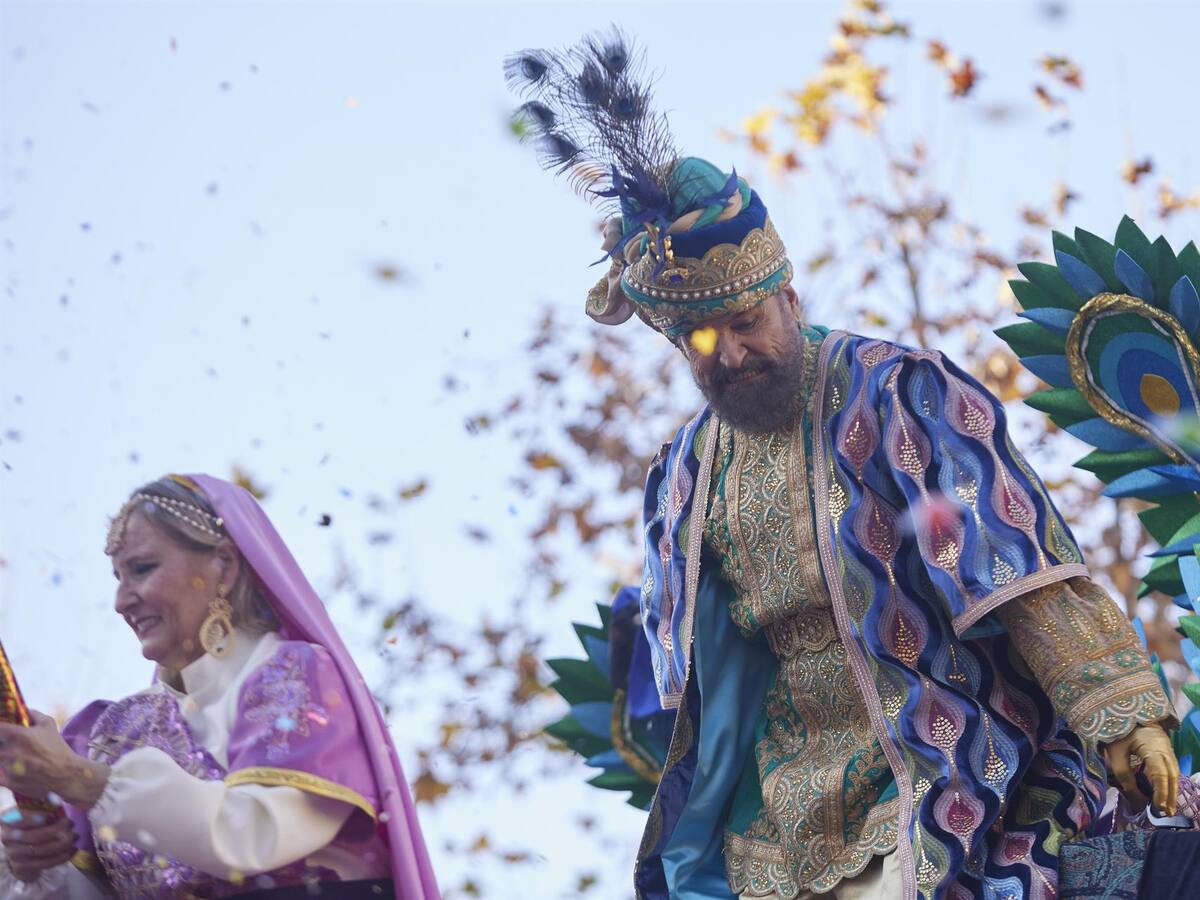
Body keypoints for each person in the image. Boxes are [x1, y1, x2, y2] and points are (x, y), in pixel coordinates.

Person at [505, 32, 1183, 899]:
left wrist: (1121, 713)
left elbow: (1017, 566)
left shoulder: (900, 393)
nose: (730, 353)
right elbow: (695, 695)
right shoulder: (680, 478)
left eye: (745, 321)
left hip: (947, 770)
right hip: (771, 832)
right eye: (700, 339)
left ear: (788, 297)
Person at [0, 474, 442, 898]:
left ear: (224, 566)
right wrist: (36, 865)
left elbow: (253, 835)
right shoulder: (109, 731)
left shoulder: (291, 674)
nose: (121, 602)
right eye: (118, 578)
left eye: (142, 568)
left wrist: (82, 780)